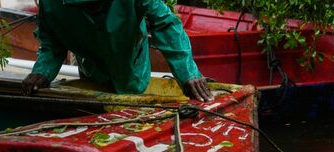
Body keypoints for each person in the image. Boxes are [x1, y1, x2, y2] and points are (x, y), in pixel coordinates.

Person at [22, 0, 213, 101]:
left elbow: (165, 23)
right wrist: (42, 71)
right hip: (91, 69)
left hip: (131, 64)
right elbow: (52, 42)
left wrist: (187, 72)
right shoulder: (51, 4)